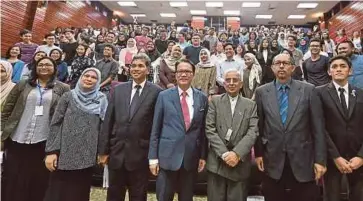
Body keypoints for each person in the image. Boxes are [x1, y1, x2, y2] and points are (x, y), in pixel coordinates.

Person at [254, 53, 326, 201]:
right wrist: (259, 153)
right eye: (278, 63)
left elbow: (318, 128)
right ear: (272, 67)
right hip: (272, 159)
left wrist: (320, 160)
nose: (281, 66)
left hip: (303, 159)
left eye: (285, 63)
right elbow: (259, 126)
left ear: (293, 68)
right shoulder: (261, 92)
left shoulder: (309, 90)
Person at [1, 57, 70, 201]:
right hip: (17, 138)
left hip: (43, 140)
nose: (44, 67)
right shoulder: (23, 84)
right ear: (35, 68)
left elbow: (64, 116)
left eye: (48, 65)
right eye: (41, 64)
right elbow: (8, 109)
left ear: (54, 68)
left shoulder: (63, 88)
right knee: (13, 176)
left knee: (37, 179)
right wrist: (2, 131)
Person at [98, 54, 162, 201]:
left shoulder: (157, 92)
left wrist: (154, 155)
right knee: (114, 195)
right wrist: (103, 151)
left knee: (138, 196)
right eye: (133, 66)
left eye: (140, 66)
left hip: (140, 155)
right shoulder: (119, 89)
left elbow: (156, 126)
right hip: (116, 153)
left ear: (148, 70)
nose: (136, 69)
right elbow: (109, 120)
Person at [43, 68, 107, 201]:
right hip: (63, 153)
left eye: (93, 77)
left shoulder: (102, 99)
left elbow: (103, 128)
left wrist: (102, 152)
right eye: (86, 75)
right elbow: (56, 123)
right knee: (58, 192)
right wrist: (51, 151)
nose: (89, 79)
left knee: (79, 192)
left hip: (87, 154)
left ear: (98, 81)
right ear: (80, 77)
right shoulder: (68, 96)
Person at [148, 59, 208, 201]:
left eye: (187, 71)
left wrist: (203, 156)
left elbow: (203, 131)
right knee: (164, 197)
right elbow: (155, 128)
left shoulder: (202, 98)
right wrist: (153, 158)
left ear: (193, 74)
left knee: (186, 197)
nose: (183, 74)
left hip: (190, 158)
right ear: (175, 74)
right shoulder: (164, 96)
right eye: (180, 71)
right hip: (167, 157)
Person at [315, 56, 363, 201]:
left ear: (350, 70)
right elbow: (319, 127)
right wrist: (336, 157)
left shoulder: (360, 93)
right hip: (332, 158)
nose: (338, 69)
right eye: (334, 67)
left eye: (342, 66)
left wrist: (361, 156)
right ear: (329, 72)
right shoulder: (318, 93)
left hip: (358, 158)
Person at [205, 69, 258, 201]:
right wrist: (224, 154)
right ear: (224, 84)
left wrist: (237, 154)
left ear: (241, 84)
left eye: (235, 80)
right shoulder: (215, 102)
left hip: (239, 163)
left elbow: (253, 131)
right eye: (228, 80)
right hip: (217, 162)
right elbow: (210, 129)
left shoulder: (250, 105)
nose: (231, 83)